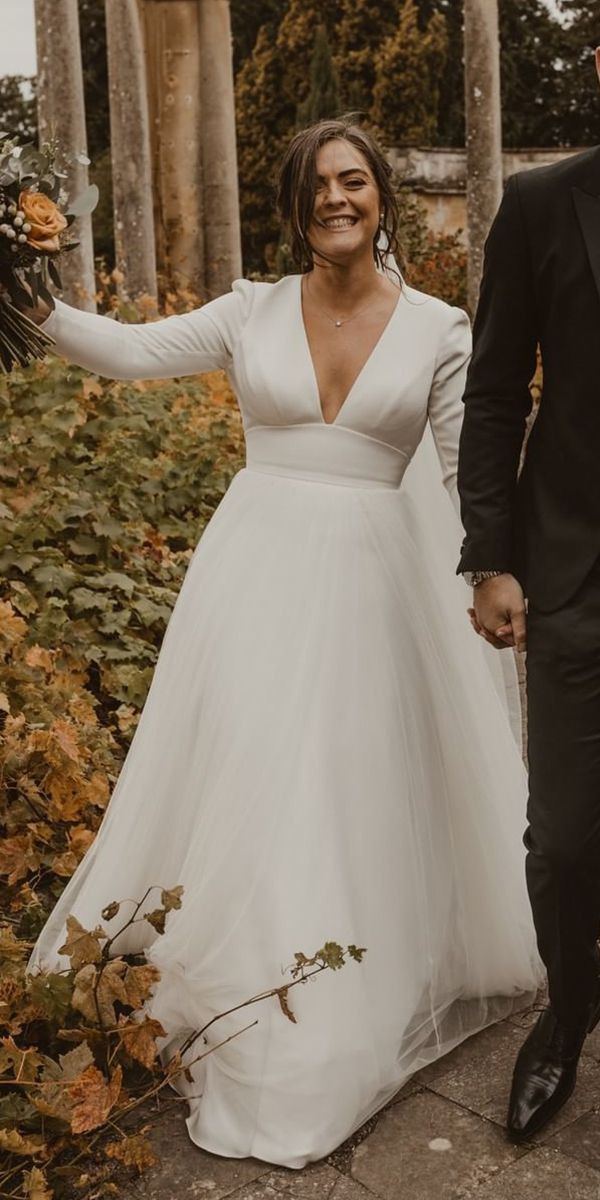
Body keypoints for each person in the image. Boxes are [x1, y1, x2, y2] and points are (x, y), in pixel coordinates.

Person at [26, 117, 542, 1168]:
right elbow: (126, 353)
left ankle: (343, 983)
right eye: (317, 185)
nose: (337, 199)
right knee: (259, 770)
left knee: (345, 781)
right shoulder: (248, 311)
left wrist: (498, 571)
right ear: (294, 205)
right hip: (254, 579)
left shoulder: (440, 329)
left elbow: (464, 466)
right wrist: (18, 293)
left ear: (381, 194)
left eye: (354, 181)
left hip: (372, 590)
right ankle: (252, 971)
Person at [457, 47, 600, 1144]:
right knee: (560, 838)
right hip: (574, 571)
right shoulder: (543, 204)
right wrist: (491, 557)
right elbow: (498, 388)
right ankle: (566, 1017)